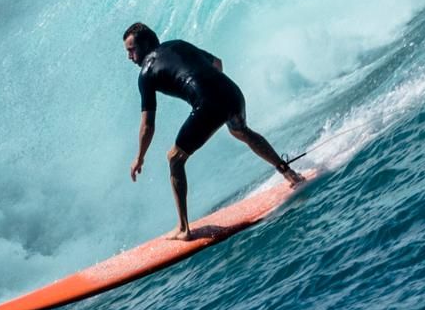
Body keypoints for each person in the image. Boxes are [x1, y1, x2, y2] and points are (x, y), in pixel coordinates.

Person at [123, 22, 303, 240]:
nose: (130, 57)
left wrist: (139, 157)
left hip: (208, 104)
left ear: (145, 44)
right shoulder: (178, 44)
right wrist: (212, 91)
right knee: (241, 131)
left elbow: (148, 125)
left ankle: (183, 229)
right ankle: (290, 174)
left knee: (174, 159)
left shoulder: (146, 73)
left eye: (132, 50)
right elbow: (217, 63)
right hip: (231, 92)